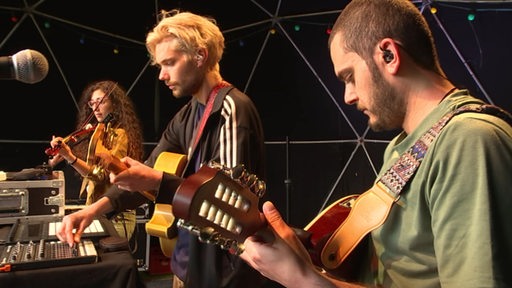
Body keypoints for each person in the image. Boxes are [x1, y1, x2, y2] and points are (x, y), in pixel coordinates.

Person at [239, 0, 512, 287]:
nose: (348, 96)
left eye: (349, 77)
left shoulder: (469, 141)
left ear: (389, 55)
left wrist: (302, 279)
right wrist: (308, 262)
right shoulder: (401, 146)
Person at [56, 10, 268, 288]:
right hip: (184, 266)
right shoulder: (185, 115)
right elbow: (145, 172)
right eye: (160, 66)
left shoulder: (232, 108)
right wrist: (92, 211)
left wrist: (157, 182)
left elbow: (230, 208)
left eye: (169, 63)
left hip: (223, 276)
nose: (162, 75)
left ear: (200, 56)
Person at [48, 80, 144, 241]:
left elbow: (101, 176)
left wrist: (70, 157)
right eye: (92, 103)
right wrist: (55, 161)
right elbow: (92, 172)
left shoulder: (119, 134)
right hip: (98, 210)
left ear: (114, 104)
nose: (95, 108)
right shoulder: (100, 132)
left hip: (116, 215)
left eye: (101, 102)